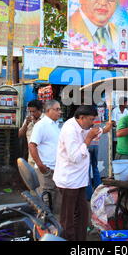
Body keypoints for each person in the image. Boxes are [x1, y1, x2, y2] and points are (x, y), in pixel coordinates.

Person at [53, 105, 102, 241]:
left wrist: (102, 130)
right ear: (82, 118)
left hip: (79, 180)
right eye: (91, 120)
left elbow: (91, 132)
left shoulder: (81, 127)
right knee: (69, 218)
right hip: (69, 181)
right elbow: (74, 157)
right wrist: (88, 140)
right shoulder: (69, 129)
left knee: (82, 213)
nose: (92, 123)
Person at [28, 100, 62, 214]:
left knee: (54, 202)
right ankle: (43, 228)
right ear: (48, 110)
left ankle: (52, 228)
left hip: (55, 169)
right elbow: (32, 145)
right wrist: (41, 165)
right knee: (45, 203)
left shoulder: (55, 125)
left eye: (59, 109)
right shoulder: (41, 125)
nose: (60, 112)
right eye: (57, 109)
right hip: (46, 170)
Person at [18, 100, 43, 166]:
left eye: (34, 111)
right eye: (30, 111)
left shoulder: (45, 120)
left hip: (42, 158)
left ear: (40, 110)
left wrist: (36, 123)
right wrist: (26, 124)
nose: (31, 113)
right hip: (31, 157)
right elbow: (20, 134)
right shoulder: (28, 120)